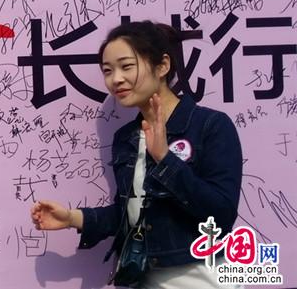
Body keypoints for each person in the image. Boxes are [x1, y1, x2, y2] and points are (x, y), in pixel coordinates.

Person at [31, 21, 243, 288]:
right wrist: (72, 218)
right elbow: (131, 212)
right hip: (143, 279)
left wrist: (165, 159)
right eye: (108, 71)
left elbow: (221, 214)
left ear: (162, 66)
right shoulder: (126, 138)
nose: (115, 79)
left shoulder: (210, 126)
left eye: (127, 66)